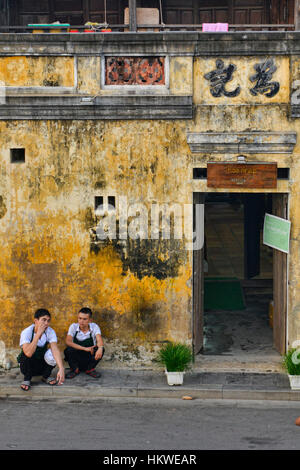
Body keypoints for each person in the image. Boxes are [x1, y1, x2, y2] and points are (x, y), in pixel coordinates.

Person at [18, 308, 65, 391]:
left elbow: (55, 349)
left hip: (41, 366)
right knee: (25, 354)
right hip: (28, 367)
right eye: (44, 320)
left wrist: (61, 368)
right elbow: (28, 353)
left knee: (52, 353)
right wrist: (38, 334)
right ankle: (27, 379)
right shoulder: (27, 332)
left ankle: (45, 376)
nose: (46, 323)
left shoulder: (50, 331)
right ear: (36, 321)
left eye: (48, 320)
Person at [64, 307, 104, 379]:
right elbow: (68, 341)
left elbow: (99, 339)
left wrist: (100, 348)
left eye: (84, 319)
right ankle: (74, 369)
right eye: (80, 318)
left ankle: (90, 369)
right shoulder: (73, 326)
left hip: (89, 357)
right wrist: (85, 348)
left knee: (101, 349)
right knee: (68, 349)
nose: (81, 321)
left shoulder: (94, 327)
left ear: (90, 320)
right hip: (76, 357)